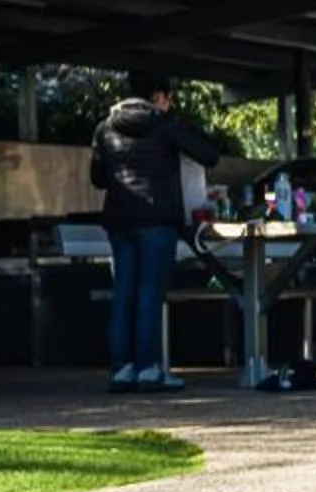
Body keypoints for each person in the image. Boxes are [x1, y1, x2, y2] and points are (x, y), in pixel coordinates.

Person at [89, 71, 224, 392]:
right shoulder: (165, 125)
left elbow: (98, 178)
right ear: (159, 97)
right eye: (169, 98)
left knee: (124, 293)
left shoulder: (104, 128)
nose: (170, 104)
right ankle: (149, 368)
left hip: (120, 220)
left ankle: (121, 370)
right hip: (157, 219)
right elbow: (209, 155)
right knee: (150, 292)